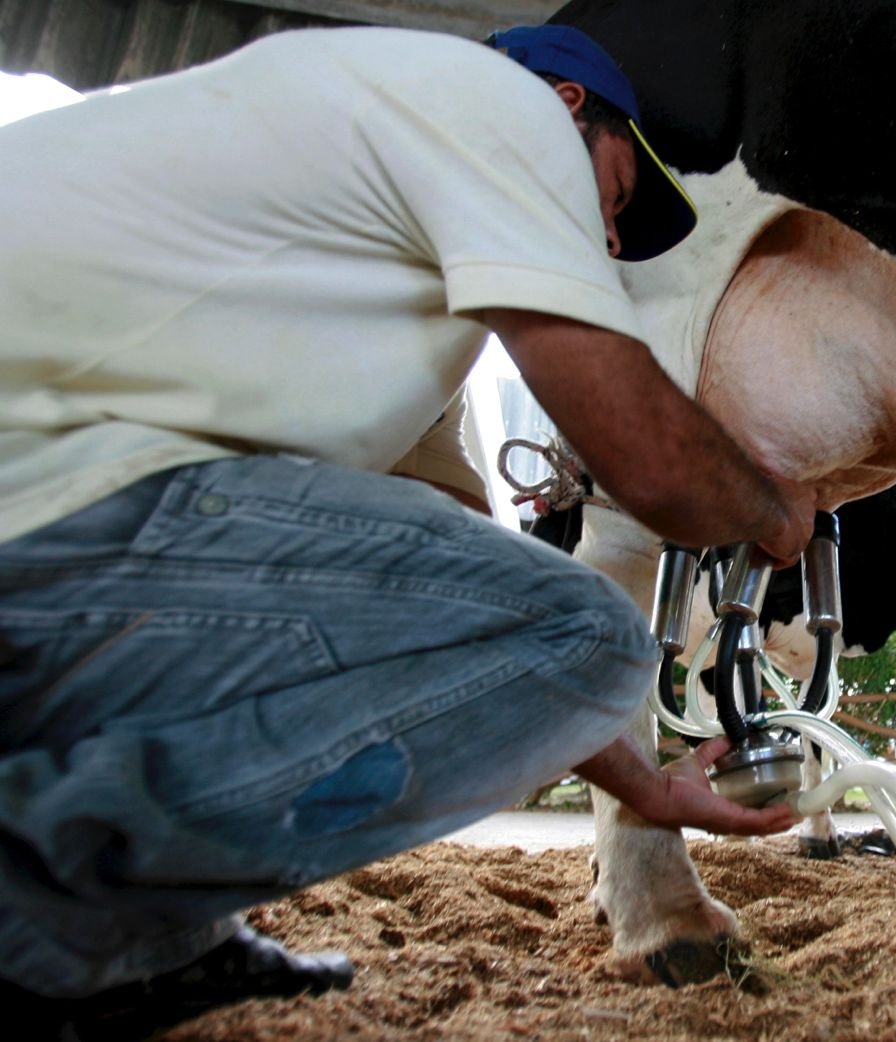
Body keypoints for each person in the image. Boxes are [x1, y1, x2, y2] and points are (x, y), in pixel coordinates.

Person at [0, 21, 813, 1036]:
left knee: (530, 623)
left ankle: (153, 935)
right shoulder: (496, 104)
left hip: (70, 521)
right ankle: (32, 907)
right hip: (54, 510)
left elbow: (450, 623)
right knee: (596, 634)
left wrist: (644, 783)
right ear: (568, 106)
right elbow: (644, 469)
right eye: (613, 194)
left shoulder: (331, 237)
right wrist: (777, 511)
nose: (606, 239)